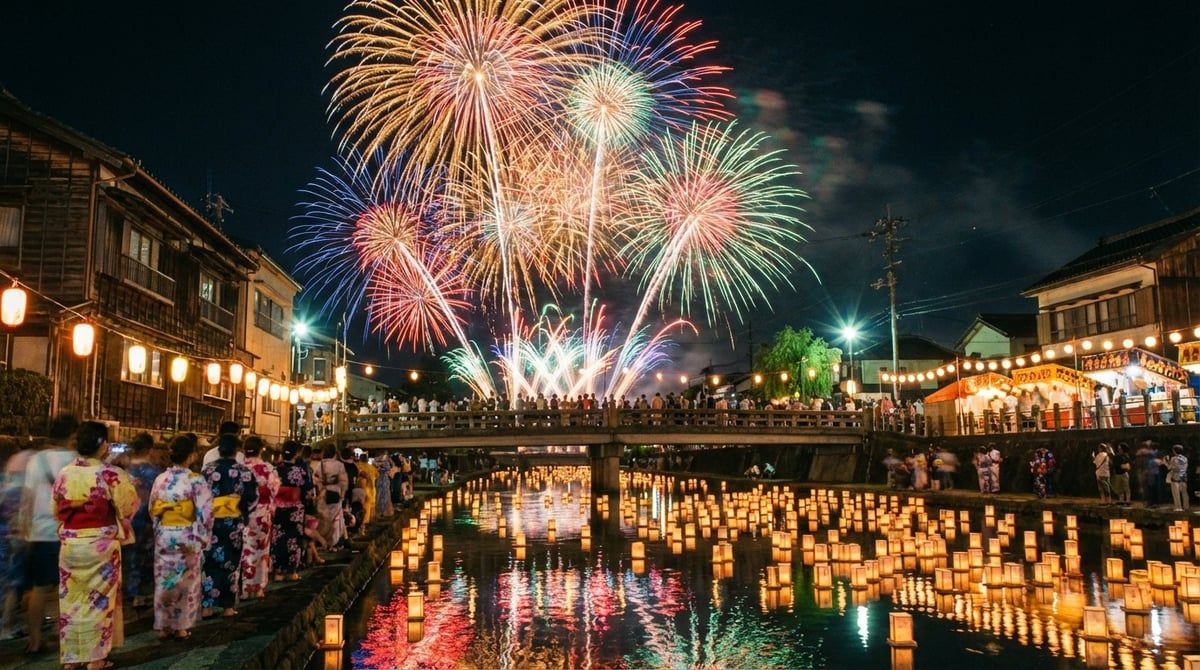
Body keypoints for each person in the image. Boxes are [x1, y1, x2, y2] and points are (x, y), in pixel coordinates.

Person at [51, 421, 138, 670]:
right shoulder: (110, 475)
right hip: (100, 544)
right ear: (101, 445)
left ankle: (72, 658)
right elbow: (128, 506)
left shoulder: (65, 473)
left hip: (71, 543)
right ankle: (96, 658)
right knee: (99, 600)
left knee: (71, 601)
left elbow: (56, 510)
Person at [20, 413, 79, 654]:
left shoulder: (37, 460)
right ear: (73, 435)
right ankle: (60, 632)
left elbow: (28, 497)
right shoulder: (76, 460)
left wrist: (24, 528)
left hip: (39, 532)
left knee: (39, 588)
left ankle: (34, 639)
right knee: (67, 586)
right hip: (68, 531)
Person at [149, 435, 213, 640]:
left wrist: (158, 529)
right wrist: (203, 536)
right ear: (192, 455)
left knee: (164, 580)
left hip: (165, 534)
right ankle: (181, 626)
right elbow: (206, 512)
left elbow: (154, 509)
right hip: (187, 534)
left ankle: (163, 625)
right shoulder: (195, 480)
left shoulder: (161, 479)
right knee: (187, 581)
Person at [200, 434, 258, 618]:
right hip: (233, 522)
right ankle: (227, 607)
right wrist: (243, 513)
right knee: (231, 563)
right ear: (237, 450)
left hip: (211, 522)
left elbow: (200, 497)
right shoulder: (244, 472)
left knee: (210, 563)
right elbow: (252, 498)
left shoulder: (208, 471)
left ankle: (207, 607)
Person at [120, 432, 163, 609]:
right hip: (146, 517)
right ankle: (142, 594)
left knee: (129, 556)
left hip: (127, 518)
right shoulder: (153, 472)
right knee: (145, 556)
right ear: (150, 449)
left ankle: (128, 591)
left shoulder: (124, 470)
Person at [239, 436, 279, 600]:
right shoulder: (267, 468)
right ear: (261, 450)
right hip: (262, 513)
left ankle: (246, 588)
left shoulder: (239, 468)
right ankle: (259, 588)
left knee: (245, 550)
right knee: (262, 551)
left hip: (243, 512)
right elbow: (274, 489)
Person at [272, 440, 314, 582]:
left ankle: (278, 571)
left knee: (278, 538)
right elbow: (307, 491)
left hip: (277, 508)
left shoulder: (275, 469)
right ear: (296, 454)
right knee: (294, 539)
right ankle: (291, 571)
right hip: (295, 509)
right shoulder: (300, 470)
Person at [315, 444, 349, 549]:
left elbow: (316, 480)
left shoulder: (319, 465)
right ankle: (334, 542)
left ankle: (323, 541)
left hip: (323, 493)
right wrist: (342, 495)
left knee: (323, 517)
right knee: (335, 518)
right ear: (335, 453)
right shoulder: (339, 465)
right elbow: (344, 482)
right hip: (335, 492)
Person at [1136, 441, 1162, 506]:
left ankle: (1151, 502)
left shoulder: (1153, 454)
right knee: (1147, 487)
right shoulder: (1147, 454)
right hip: (1148, 471)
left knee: (1151, 487)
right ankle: (1148, 501)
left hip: (1151, 472)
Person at [357, 453, 378, 526]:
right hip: (371, 489)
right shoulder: (371, 467)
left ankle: (363, 522)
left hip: (360, 488)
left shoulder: (358, 466)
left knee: (363, 505)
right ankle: (369, 521)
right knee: (371, 505)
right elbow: (377, 475)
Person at [1168, 445, 1189, 512]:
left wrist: (1166, 462)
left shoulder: (1173, 458)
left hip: (1176, 477)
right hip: (1183, 476)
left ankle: (1178, 507)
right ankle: (1186, 506)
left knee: (1176, 493)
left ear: (1175, 450)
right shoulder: (1185, 458)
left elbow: (1170, 467)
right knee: (1184, 493)